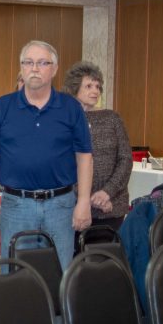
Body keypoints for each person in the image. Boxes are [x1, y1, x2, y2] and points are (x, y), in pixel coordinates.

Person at [0, 41, 93, 268]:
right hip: (16, 206)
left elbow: (84, 157)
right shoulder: (3, 107)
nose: (34, 68)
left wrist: (83, 202)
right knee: (15, 277)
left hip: (61, 206)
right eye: (28, 62)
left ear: (55, 69)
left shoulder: (71, 108)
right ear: (21, 68)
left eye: (42, 63)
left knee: (61, 275)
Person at [65, 61, 131, 233]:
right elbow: (62, 163)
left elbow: (125, 159)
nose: (95, 91)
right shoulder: (65, 121)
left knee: (105, 258)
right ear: (74, 88)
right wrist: (85, 198)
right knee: (76, 258)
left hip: (112, 206)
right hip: (75, 207)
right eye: (88, 86)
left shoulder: (112, 119)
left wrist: (106, 193)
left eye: (97, 86)